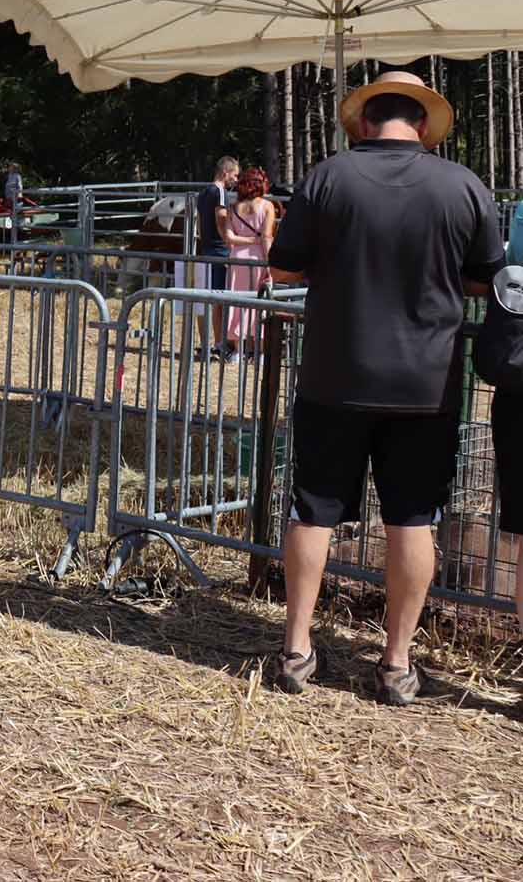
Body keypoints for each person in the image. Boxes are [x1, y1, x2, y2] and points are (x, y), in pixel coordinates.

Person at [268, 71, 501, 705]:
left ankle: (295, 650)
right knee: (412, 518)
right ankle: (396, 665)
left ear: (365, 122)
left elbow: (283, 264)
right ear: (422, 126)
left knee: (313, 509)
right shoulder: (464, 185)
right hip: (427, 383)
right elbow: (487, 280)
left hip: (334, 375)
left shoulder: (327, 178)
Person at [221, 166, 277, 360]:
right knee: (260, 302)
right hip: (258, 258)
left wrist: (246, 240)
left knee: (237, 301)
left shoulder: (234, 207)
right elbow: (267, 237)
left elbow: (229, 237)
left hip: (236, 258)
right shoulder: (267, 206)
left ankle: (237, 350)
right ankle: (259, 351)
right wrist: (270, 265)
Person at [199, 154, 240, 352]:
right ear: (226, 173)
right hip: (220, 251)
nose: (236, 180)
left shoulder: (204, 192)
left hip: (206, 248)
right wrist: (230, 242)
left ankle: (216, 342)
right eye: (235, 175)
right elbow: (221, 220)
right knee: (221, 300)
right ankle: (221, 342)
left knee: (212, 300)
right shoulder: (220, 192)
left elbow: (200, 224)